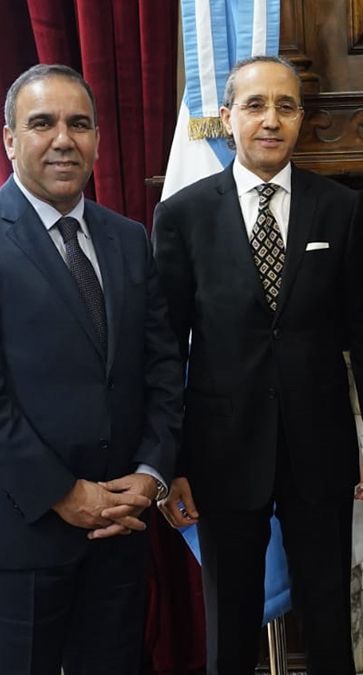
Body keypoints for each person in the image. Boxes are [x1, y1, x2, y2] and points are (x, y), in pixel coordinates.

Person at [152, 55, 363, 675]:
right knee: (229, 628)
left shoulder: (340, 209)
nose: (271, 120)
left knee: (329, 626)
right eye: (255, 105)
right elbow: (164, 348)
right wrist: (172, 461)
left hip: (320, 448)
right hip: (221, 453)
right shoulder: (182, 215)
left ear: (300, 119)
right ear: (227, 116)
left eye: (285, 106)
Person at [0, 64, 182, 674]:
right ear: (9, 140)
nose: (63, 139)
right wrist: (63, 494)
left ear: (99, 140)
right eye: (42, 123)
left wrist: (152, 472)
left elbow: (161, 366)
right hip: (21, 538)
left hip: (120, 533)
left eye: (79, 124)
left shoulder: (130, 238)